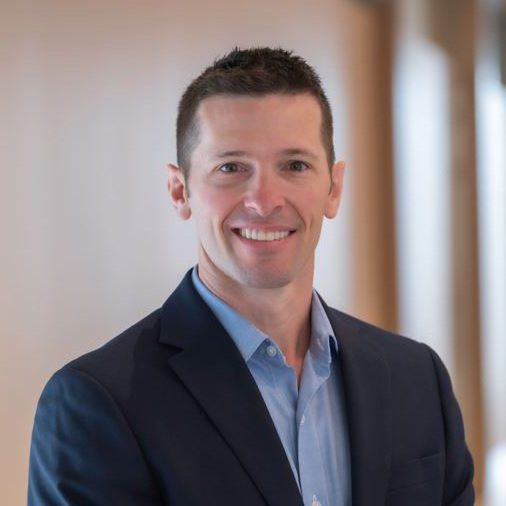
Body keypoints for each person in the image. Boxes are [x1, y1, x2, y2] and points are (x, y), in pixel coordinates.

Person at [28, 47, 475, 506]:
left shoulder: (417, 380)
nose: (264, 201)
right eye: (231, 168)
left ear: (334, 188)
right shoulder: (95, 404)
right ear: (180, 191)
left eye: (295, 165)